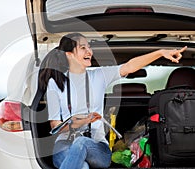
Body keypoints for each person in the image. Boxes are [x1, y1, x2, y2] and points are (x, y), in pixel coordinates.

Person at [38, 32, 187, 169]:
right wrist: (80, 121)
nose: (89, 51)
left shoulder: (99, 76)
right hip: (64, 146)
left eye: (89, 47)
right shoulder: (55, 83)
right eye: (83, 48)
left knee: (81, 142)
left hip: (97, 148)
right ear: (69, 54)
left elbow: (129, 66)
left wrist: (160, 53)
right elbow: (55, 125)